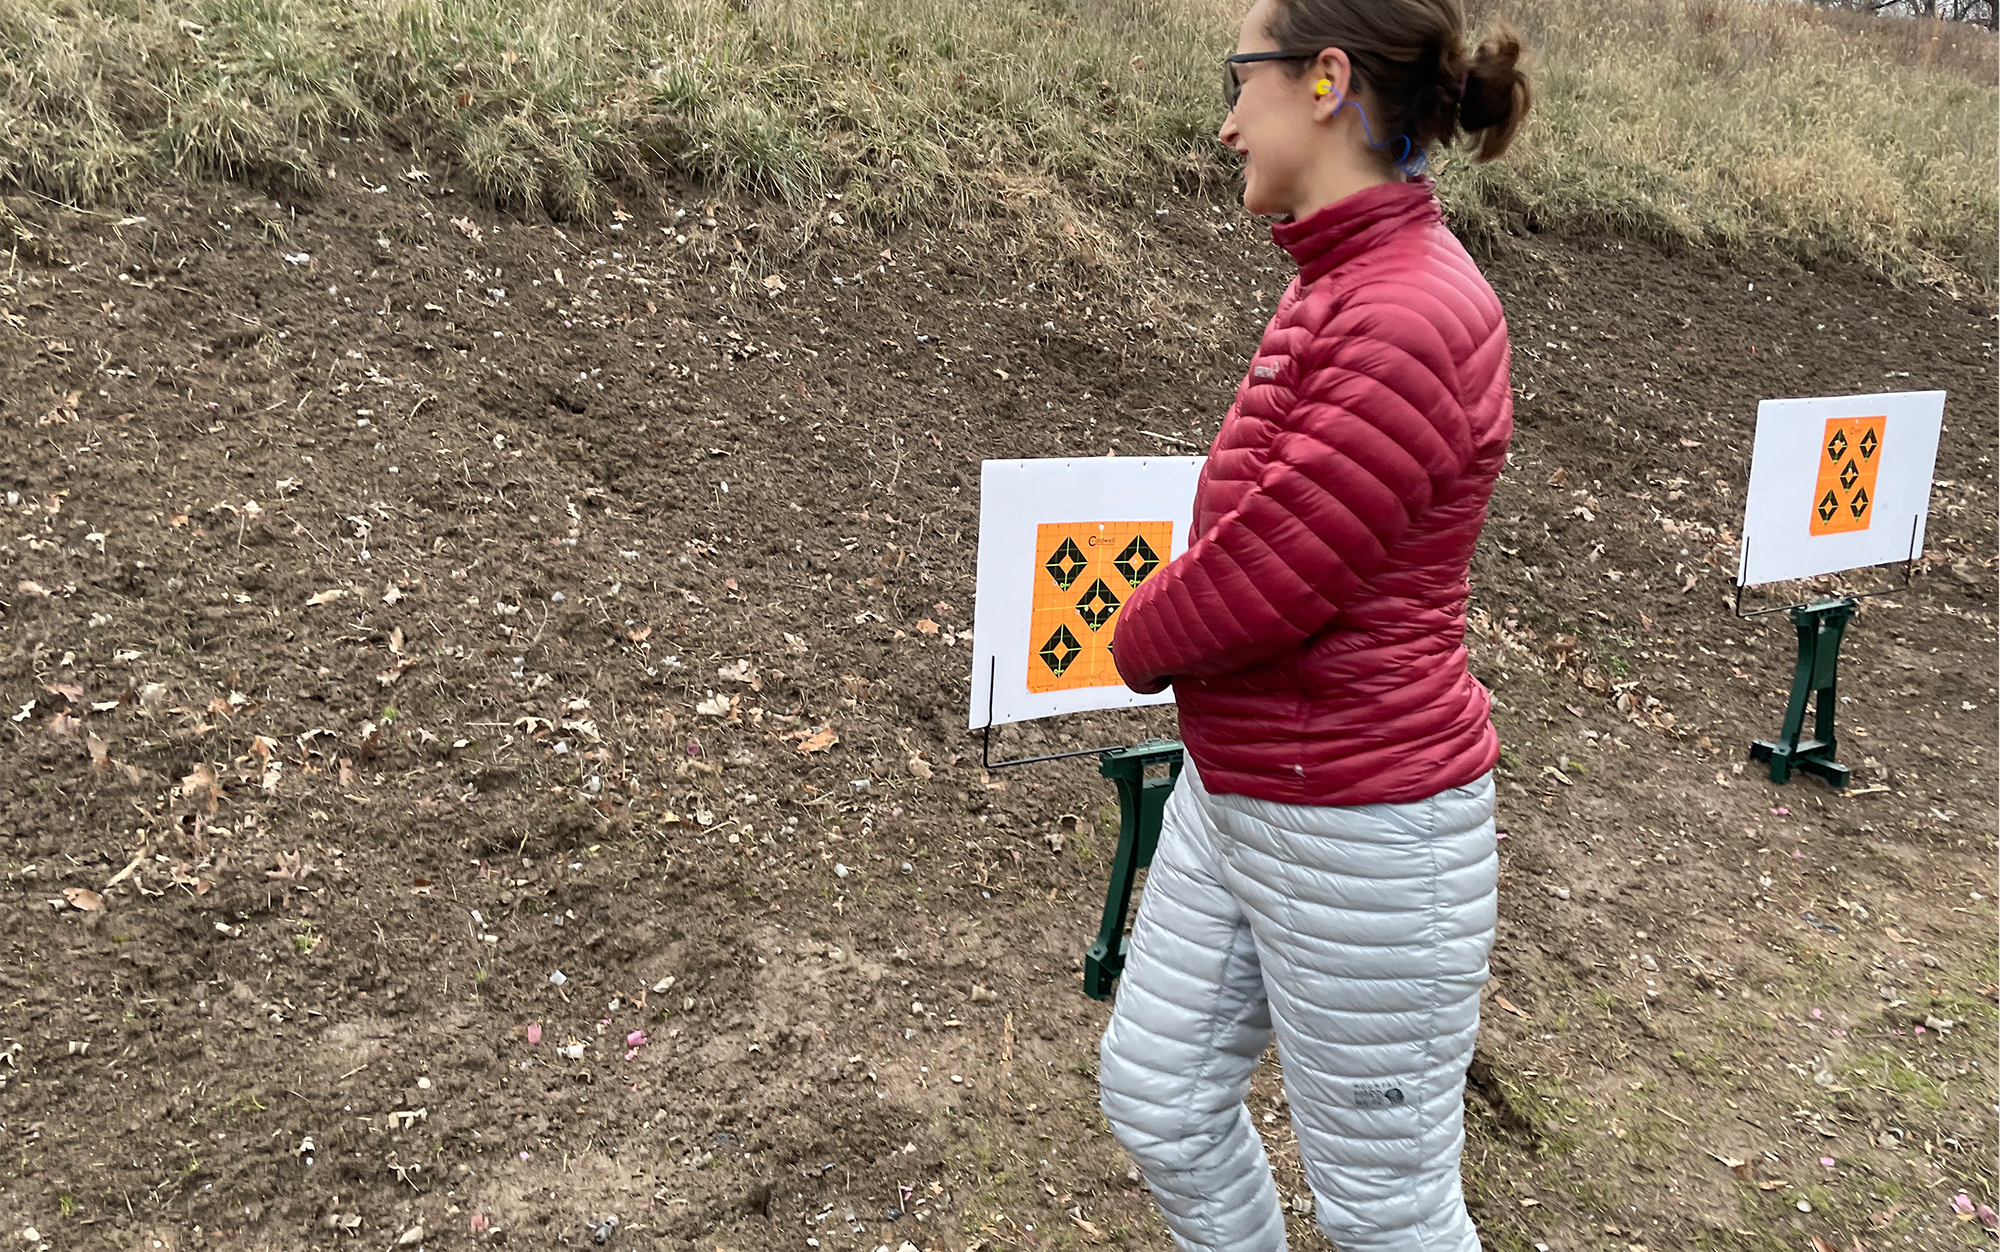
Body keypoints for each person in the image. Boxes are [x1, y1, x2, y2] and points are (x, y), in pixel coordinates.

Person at [1096, 1, 1532, 1249]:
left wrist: (1133, 638)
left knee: (1387, 1210)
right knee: (1160, 1096)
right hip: (1247, 794)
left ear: (1327, 80)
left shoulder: (1405, 313)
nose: (1228, 121)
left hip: (1360, 830)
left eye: (1242, 81)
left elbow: (1275, 576)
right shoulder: (1341, 281)